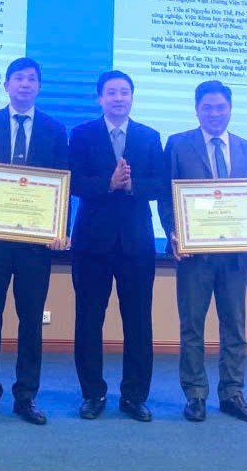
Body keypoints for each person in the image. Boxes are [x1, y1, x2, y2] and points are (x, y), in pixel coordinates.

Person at [0, 58, 69, 426]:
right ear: (7, 84)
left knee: (31, 321)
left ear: (39, 86)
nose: (25, 84)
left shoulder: (55, 130)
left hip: (35, 246)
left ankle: (26, 396)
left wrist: (59, 228)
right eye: (19, 78)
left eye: (32, 79)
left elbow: (63, 182)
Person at [159, 80, 247, 424]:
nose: (214, 113)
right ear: (196, 110)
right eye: (207, 107)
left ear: (230, 110)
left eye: (221, 107)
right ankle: (195, 394)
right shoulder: (178, 145)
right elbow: (167, 196)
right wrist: (173, 232)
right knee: (192, 326)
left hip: (236, 256)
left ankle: (232, 393)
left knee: (234, 326)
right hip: (195, 255)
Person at [68, 70, 164, 422]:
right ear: (100, 98)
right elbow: (72, 181)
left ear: (132, 97)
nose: (118, 98)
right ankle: (92, 393)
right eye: (111, 92)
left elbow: (161, 185)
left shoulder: (149, 136)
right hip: (91, 243)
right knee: (88, 320)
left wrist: (132, 185)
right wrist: (107, 183)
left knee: (138, 321)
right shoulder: (81, 134)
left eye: (124, 92)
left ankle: (134, 396)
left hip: (136, 244)